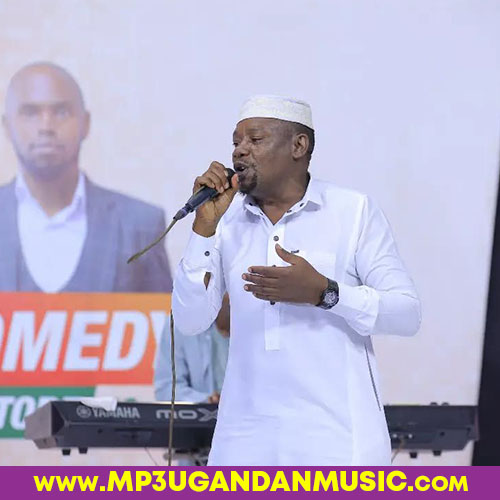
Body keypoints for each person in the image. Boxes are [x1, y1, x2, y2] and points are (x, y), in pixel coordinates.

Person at [172, 95, 421, 466]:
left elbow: (406, 314)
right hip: (242, 443)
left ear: (298, 146)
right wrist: (203, 228)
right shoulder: (225, 222)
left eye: (255, 139)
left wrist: (326, 293)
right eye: (236, 142)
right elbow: (190, 320)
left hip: (339, 443)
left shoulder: (352, 211)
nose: (239, 151)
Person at [0, 62, 172, 292]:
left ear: (86, 123)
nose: (46, 126)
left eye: (61, 112)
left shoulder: (140, 226)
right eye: (30, 113)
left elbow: (165, 314)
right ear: (7, 126)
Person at [154, 294, 230, 403]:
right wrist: (205, 400)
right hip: (201, 411)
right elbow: (166, 388)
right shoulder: (180, 322)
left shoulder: (255, 321)